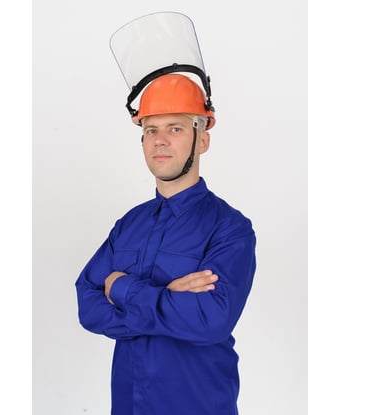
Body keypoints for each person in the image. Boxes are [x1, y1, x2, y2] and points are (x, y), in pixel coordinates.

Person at [75, 73, 257, 415]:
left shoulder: (230, 229)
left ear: (202, 140)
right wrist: (169, 299)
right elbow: (87, 305)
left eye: (175, 128)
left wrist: (124, 289)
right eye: (150, 130)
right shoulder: (128, 225)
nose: (159, 141)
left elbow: (212, 320)